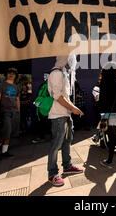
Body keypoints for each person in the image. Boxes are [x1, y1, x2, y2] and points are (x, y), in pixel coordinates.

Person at [46, 55, 84, 187]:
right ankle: (52, 173)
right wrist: (73, 108)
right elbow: (57, 96)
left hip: (65, 115)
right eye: (70, 58)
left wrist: (71, 110)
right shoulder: (56, 73)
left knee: (67, 141)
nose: (72, 62)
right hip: (58, 116)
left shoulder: (62, 72)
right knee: (56, 145)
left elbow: (63, 96)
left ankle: (67, 166)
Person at [0, 68, 20, 158]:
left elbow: (17, 99)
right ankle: (0, 150)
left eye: (13, 73)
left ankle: (0, 149)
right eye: (9, 73)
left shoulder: (16, 87)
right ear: (6, 74)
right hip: (4, 111)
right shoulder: (1, 85)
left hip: (14, 112)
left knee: (7, 132)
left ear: (15, 76)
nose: (11, 74)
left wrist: (18, 112)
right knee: (7, 131)